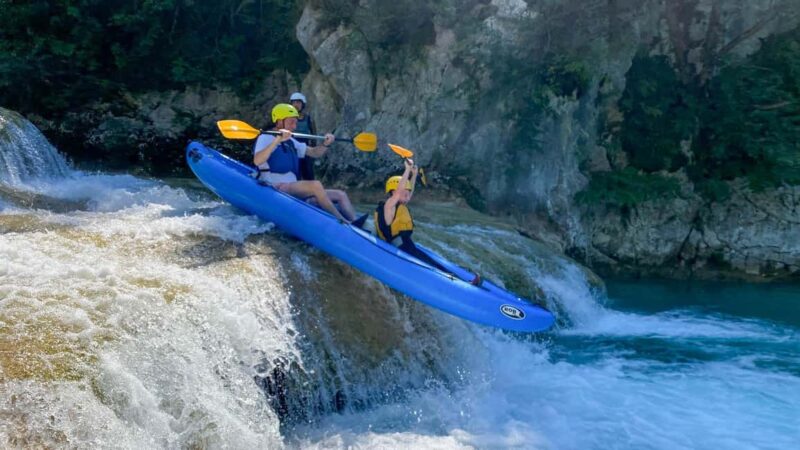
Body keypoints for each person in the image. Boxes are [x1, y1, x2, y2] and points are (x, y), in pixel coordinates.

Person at [373, 159, 482, 285]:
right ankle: (461, 284)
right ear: (394, 191)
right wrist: (407, 170)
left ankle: (462, 281)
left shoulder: (398, 204)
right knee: (432, 268)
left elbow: (408, 192)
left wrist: (413, 174)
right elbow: (398, 193)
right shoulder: (389, 205)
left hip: (406, 245)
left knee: (434, 264)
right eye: (405, 192)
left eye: (408, 193)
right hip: (400, 248)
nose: (408, 196)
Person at [254, 103, 356, 223]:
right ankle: (341, 220)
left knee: (341, 195)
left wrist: (326, 144)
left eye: (295, 122)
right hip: (275, 186)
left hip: (293, 187)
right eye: (291, 122)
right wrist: (277, 141)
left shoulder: (291, 140)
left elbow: (314, 153)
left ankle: (356, 222)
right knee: (315, 185)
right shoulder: (265, 137)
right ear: (279, 122)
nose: (294, 126)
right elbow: (257, 160)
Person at [289, 92, 317, 181]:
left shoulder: (309, 119)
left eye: (298, 102)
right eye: (294, 102)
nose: (296, 105)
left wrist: (313, 150)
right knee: (294, 175)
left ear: (303, 104)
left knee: (309, 175)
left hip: (305, 150)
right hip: (292, 150)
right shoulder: (287, 118)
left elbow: (313, 135)